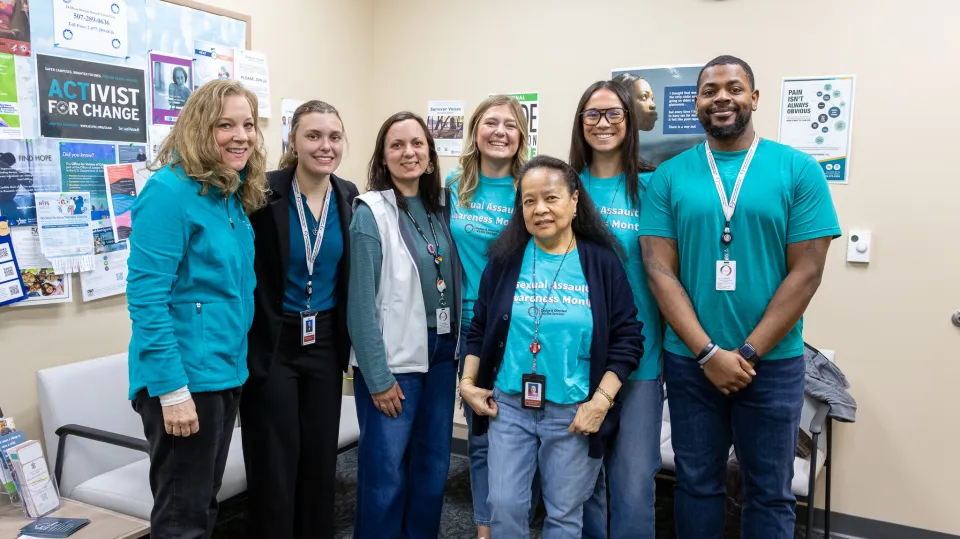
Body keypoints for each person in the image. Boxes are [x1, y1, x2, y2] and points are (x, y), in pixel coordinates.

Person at [638, 55, 841, 539]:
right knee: (696, 485)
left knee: (769, 493)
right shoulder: (669, 175)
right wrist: (708, 353)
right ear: (696, 103)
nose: (721, 98)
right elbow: (659, 270)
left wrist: (747, 353)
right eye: (709, 91)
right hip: (691, 363)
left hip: (772, 365)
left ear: (754, 97)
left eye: (733, 87)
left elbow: (807, 272)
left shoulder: (798, 170)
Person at [459, 155, 645, 539]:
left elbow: (628, 338)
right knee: (505, 507)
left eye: (551, 198)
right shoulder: (505, 259)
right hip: (508, 407)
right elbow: (480, 328)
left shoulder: (601, 262)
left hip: (574, 412)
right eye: (529, 201)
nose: (540, 209)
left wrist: (601, 402)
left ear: (574, 200)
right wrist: (468, 382)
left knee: (563, 514)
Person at [126, 79, 267, 539]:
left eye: (248, 125)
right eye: (225, 125)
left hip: (223, 372)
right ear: (198, 128)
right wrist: (172, 391)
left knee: (204, 504)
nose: (240, 136)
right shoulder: (168, 192)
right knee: (180, 519)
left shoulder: (229, 194)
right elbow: (147, 299)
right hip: (184, 380)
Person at [241, 100, 358, 539]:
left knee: (319, 459)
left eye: (334, 137)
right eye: (313, 136)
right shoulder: (261, 191)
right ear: (293, 140)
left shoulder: (348, 195)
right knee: (274, 462)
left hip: (324, 342)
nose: (325, 146)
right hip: (274, 341)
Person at [347, 111, 463, 539]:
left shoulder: (442, 207)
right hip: (393, 360)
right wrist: (378, 377)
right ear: (383, 156)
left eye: (417, 144)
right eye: (396, 145)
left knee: (433, 467)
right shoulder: (370, 212)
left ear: (430, 154)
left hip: (442, 354)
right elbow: (359, 304)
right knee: (385, 473)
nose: (408, 152)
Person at [571, 80, 663, 539]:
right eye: (592, 114)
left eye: (613, 113)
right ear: (580, 122)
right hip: (578, 357)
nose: (603, 123)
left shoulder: (653, 186)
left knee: (633, 481)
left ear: (629, 121)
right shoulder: (566, 186)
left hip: (641, 357)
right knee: (583, 482)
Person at [445, 94, 534, 539]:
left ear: (522, 136)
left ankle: (517, 521)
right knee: (479, 429)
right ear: (475, 131)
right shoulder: (453, 184)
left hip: (516, 326)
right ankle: (485, 528)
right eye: (490, 123)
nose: (500, 131)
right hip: (465, 326)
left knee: (520, 429)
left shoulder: (529, 186)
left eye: (510, 125)